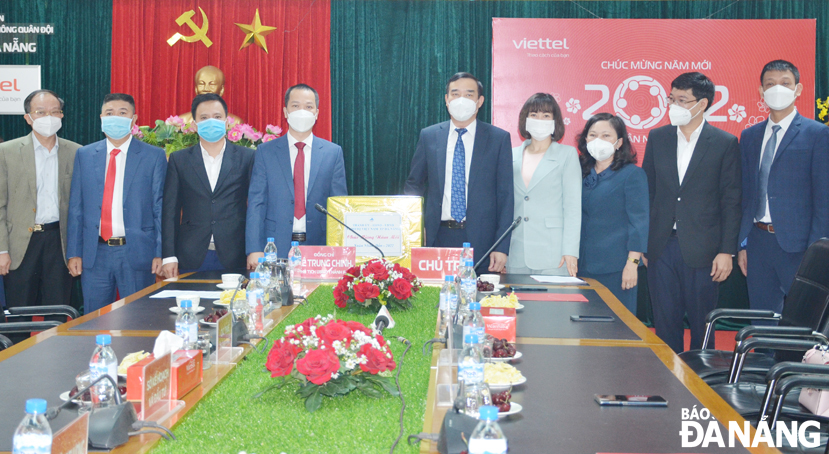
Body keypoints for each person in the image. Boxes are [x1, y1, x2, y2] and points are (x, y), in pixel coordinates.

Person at [642, 72, 741, 353]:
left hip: (705, 248)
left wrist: (727, 251)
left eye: (682, 100)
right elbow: (648, 192)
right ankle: (668, 381)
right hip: (661, 246)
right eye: (671, 98)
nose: (674, 105)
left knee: (702, 324)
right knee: (665, 321)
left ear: (702, 103)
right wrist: (644, 244)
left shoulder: (724, 142)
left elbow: (731, 200)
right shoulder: (658, 137)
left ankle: (701, 383)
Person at [737, 60, 829, 316]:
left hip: (799, 246)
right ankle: (766, 358)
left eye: (785, 83)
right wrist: (742, 244)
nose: (778, 89)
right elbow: (745, 194)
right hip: (757, 241)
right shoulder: (750, 136)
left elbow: (824, 199)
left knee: (804, 319)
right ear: (761, 91)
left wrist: (816, 252)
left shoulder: (818, 134)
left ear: (798, 89)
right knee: (762, 317)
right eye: (770, 84)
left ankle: (797, 359)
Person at [404, 72, 513, 274]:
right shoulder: (429, 136)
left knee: (478, 302)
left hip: (483, 241)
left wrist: (501, 246)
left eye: (469, 94)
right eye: (455, 94)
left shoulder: (498, 139)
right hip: (437, 236)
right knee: (436, 298)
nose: (461, 100)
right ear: (447, 100)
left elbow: (506, 196)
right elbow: (414, 185)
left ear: (480, 101)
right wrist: (415, 228)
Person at [67, 93, 167, 314]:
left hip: (137, 252)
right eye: (110, 113)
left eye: (123, 113)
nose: (116, 118)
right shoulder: (85, 154)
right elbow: (76, 207)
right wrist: (74, 252)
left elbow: (160, 208)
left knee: (138, 318)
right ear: (101, 117)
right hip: (96, 253)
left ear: (134, 119)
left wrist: (161, 251)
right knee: (95, 319)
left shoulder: (154, 156)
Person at [245, 84, 347, 267]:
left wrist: (339, 249)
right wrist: (254, 248)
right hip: (274, 245)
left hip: (319, 246)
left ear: (316, 112)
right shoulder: (265, 152)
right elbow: (256, 203)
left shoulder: (333, 153)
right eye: (295, 106)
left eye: (308, 107)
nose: (302, 112)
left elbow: (338, 205)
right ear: (285, 112)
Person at [0, 89, 80, 309]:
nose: (49, 117)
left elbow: (80, 208)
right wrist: (1, 250)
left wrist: (76, 251)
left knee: (58, 312)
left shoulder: (76, 152)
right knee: (18, 312)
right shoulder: (6, 152)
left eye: (55, 112)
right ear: (28, 117)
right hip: (20, 245)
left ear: (62, 115)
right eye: (41, 112)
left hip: (59, 242)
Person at [161, 94, 255, 277]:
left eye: (217, 117)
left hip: (235, 253)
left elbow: (256, 207)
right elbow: (170, 210)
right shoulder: (179, 160)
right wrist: (169, 255)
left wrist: (255, 249)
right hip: (191, 254)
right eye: (204, 118)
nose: (211, 122)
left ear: (227, 123)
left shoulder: (247, 157)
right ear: (194, 125)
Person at [577, 113, 648, 313]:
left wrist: (632, 264)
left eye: (606, 135)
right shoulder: (579, 172)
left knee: (617, 329)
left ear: (619, 143)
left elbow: (639, 222)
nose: (598, 140)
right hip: (581, 266)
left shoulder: (632, 174)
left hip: (617, 268)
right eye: (592, 135)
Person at [507, 93, 581, 276]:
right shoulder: (510, 155)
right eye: (534, 115)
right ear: (525, 119)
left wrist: (570, 250)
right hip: (516, 252)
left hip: (553, 254)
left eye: (546, 116)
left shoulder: (567, 155)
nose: (539, 120)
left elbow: (572, 207)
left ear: (555, 121)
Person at [178, 65, 243, 125]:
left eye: (212, 84)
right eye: (201, 84)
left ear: (222, 90)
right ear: (196, 89)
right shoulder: (182, 122)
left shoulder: (235, 124)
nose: (206, 89)